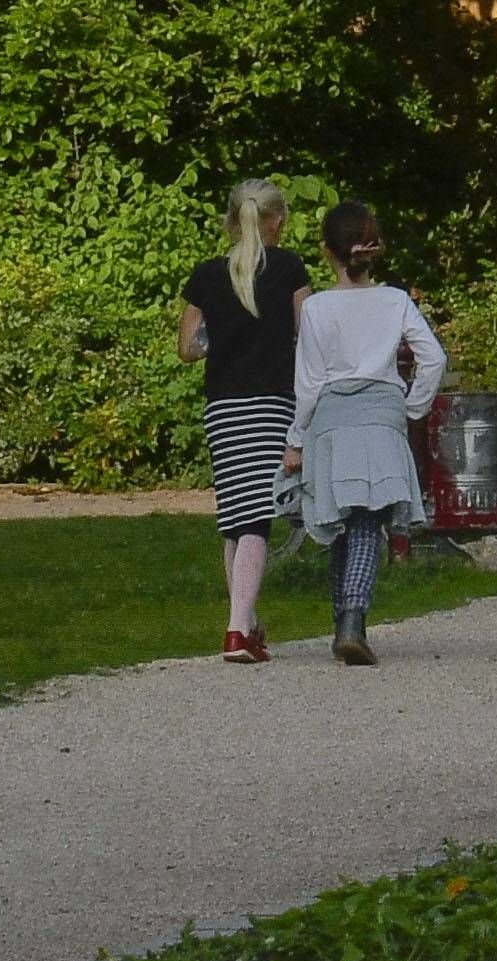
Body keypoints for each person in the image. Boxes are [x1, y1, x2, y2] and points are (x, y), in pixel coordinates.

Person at [284, 204, 454, 668]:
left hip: (334, 422)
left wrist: (295, 440)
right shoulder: (395, 300)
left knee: (345, 520)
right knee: (367, 519)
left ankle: (345, 620)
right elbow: (433, 359)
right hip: (381, 417)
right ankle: (351, 622)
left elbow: (309, 382)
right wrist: (412, 405)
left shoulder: (317, 308)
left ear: (327, 253)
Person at [181, 183, 311, 664]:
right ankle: (237, 631)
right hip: (273, 401)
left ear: (232, 222)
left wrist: (225, 336)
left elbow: (187, 347)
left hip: (223, 406)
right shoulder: (290, 269)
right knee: (258, 514)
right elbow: (309, 332)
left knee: (235, 516)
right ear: (274, 221)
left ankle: (247, 624)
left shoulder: (207, 276)